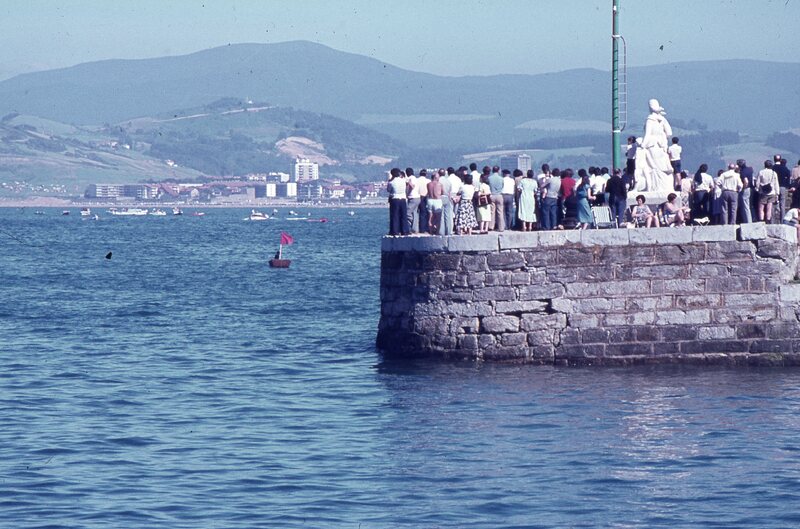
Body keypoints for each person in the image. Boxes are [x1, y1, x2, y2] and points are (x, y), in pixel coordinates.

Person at [634, 99, 674, 192]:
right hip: (661, 146)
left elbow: (647, 134)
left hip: (652, 145)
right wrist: (662, 137)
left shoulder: (650, 119)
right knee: (662, 166)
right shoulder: (663, 119)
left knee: (654, 167)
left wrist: (643, 145)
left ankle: (655, 187)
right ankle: (665, 187)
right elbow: (669, 133)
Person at [386, 168, 409, 236]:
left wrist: (390, 180)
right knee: (403, 215)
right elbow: (407, 183)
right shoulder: (403, 180)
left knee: (395, 215)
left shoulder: (391, 182)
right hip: (403, 198)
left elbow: (388, 190)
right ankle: (405, 231)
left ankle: (395, 231)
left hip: (395, 199)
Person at [774, 155, 792, 221]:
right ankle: (782, 220)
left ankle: (772, 220)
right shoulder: (786, 169)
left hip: (775, 187)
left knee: (774, 203)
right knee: (782, 204)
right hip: (783, 187)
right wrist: (788, 186)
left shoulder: (773, 168)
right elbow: (789, 178)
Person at [426, 170, 444, 234]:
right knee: (438, 217)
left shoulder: (428, 184)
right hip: (437, 200)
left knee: (430, 217)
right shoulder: (440, 184)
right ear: (436, 177)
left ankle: (431, 231)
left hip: (430, 200)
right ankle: (437, 232)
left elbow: (428, 192)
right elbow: (442, 192)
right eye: (438, 177)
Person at [488, 166, 505, 231]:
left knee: (492, 212)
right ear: (498, 170)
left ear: (492, 170)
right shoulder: (501, 178)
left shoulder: (489, 178)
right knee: (500, 212)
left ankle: (491, 226)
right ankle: (501, 227)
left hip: (492, 195)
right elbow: (503, 186)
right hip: (499, 195)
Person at [439, 168, 455, 235]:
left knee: (441, 216)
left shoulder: (438, 181)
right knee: (448, 216)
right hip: (447, 198)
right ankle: (448, 231)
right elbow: (449, 192)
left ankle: (441, 231)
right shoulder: (448, 181)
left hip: (440, 198)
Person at [737, 159, 754, 224]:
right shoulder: (750, 169)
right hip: (751, 188)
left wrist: (743, 188)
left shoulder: (742, 172)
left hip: (746, 189)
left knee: (745, 206)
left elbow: (746, 181)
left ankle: (748, 221)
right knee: (749, 205)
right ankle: (750, 220)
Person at [405, 167, 421, 233]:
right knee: (415, 213)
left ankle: (410, 224)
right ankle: (415, 229)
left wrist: (408, 183)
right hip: (417, 197)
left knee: (407, 212)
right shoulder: (416, 178)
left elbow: (412, 186)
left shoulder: (410, 178)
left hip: (413, 197)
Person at [416, 168, 430, 233]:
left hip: (418, 196)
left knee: (419, 213)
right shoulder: (428, 181)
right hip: (426, 197)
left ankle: (419, 228)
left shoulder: (417, 180)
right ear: (426, 174)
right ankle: (425, 228)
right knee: (426, 213)